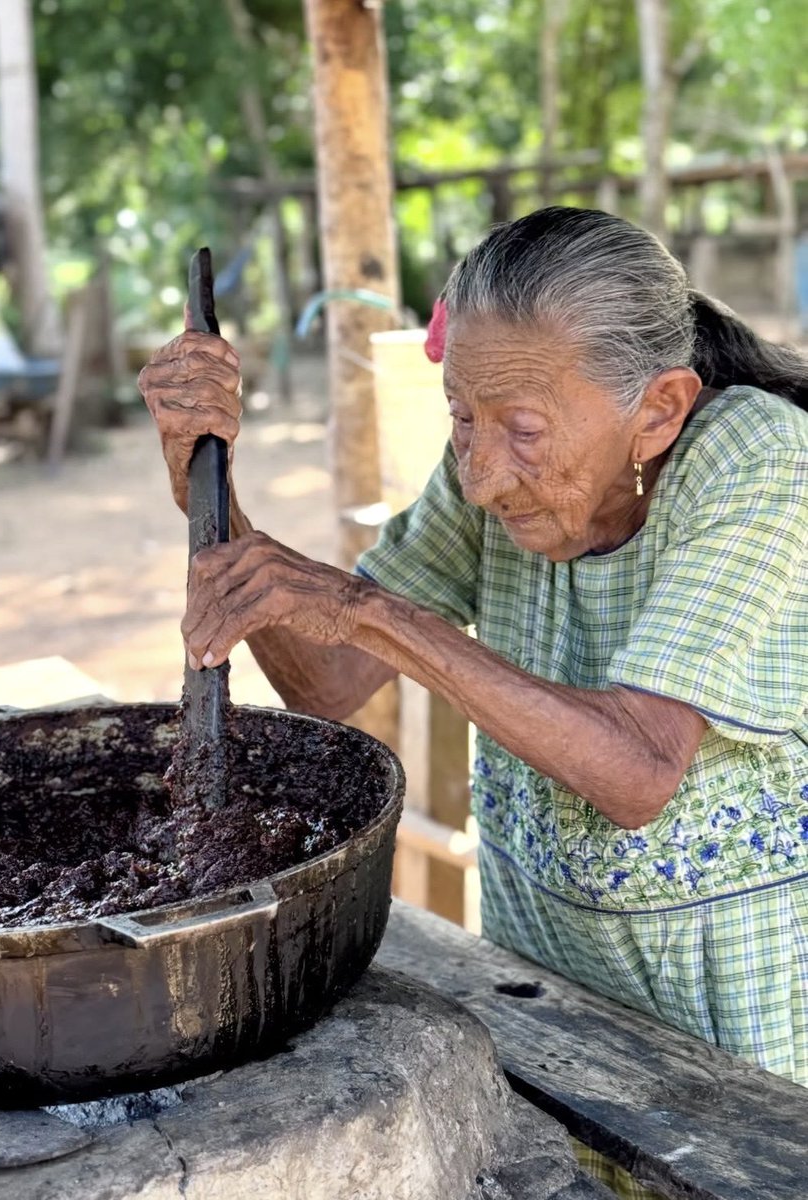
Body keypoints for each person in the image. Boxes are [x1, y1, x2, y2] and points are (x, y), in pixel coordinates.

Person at [139, 207, 807, 1197]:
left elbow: (635, 770)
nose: (483, 475)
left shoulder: (755, 461)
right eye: (459, 419)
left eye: (520, 432)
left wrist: (367, 609)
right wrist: (197, 474)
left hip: (729, 1035)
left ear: (657, 411)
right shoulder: (491, 455)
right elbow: (326, 683)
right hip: (543, 995)